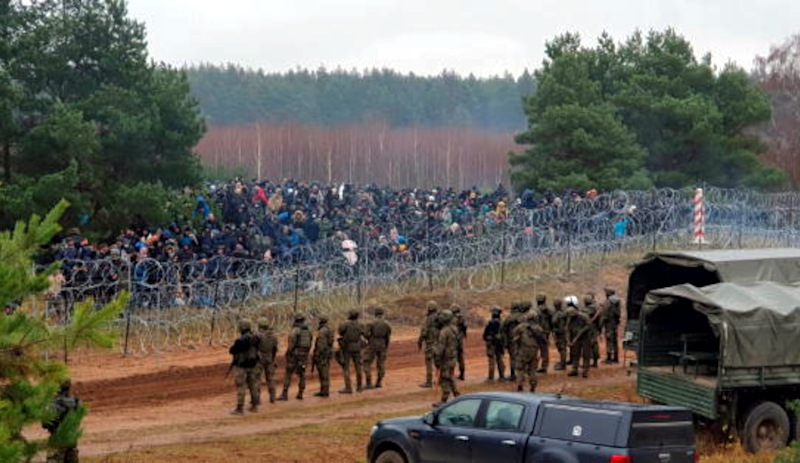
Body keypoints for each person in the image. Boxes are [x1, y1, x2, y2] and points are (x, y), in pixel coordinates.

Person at [42, 379, 80, 463]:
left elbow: (45, 423)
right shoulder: (75, 401)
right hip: (72, 438)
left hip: (57, 438)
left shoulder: (54, 403)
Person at [278, 312, 313, 401]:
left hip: (294, 355)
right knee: (302, 374)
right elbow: (310, 343)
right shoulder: (308, 331)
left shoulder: (295, 331)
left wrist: (288, 353)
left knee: (288, 373)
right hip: (304, 355)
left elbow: (291, 344)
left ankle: (284, 393)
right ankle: (300, 393)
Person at [228, 319, 260, 414]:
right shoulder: (255, 338)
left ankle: (240, 408)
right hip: (253, 364)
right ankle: (254, 405)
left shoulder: (240, 340)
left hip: (242, 366)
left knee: (241, 386)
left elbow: (232, 350)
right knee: (253, 386)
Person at [434, 309, 460, 406]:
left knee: (444, 379)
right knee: (450, 377)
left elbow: (441, 348)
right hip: (452, 357)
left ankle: (444, 400)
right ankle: (457, 395)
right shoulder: (454, 329)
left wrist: (436, 358)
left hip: (445, 359)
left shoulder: (444, 331)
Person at [512, 311, 544, 392]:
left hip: (522, 350)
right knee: (532, 370)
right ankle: (533, 386)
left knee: (520, 368)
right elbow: (542, 339)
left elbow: (514, 337)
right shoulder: (538, 328)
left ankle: (520, 384)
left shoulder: (520, 327)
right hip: (534, 350)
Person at [363, 306, 392, 389]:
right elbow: (388, 336)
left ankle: (368, 383)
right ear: (382, 313)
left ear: (375, 314)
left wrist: (369, 339)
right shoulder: (386, 324)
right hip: (382, 344)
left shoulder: (371, 323)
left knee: (367, 362)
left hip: (372, 344)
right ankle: (378, 382)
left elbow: (365, 334)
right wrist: (386, 345)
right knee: (381, 364)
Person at [337, 309, 365, 393]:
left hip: (347, 347)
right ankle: (359, 386)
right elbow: (364, 333)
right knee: (358, 367)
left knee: (346, 368)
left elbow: (340, 332)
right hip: (357, 347)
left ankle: (348, 387)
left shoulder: (345, 324)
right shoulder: (360, 324)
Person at [565, 296, 592, 378]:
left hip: (586, 338)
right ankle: (574, 369)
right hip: (575, 338)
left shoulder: (584, 316)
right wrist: (568, 340)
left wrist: (579, 335)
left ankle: (585, 370)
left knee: (586, 354)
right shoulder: (570, 318)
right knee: (575, 353)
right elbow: (567, 329)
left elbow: (588, 326)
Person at [256, 317, 279, 403]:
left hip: (260, 359)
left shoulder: (258, 336)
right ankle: (272, 398)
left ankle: (257, 399)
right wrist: (273, 358)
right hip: (270, 358)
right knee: (270, 379)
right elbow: (275, 349)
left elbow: (254, 347)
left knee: (257, 379)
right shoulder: (273, 336)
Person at [417, 300, 440, 388]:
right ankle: (440, 379)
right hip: (438, 343)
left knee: (429, 362)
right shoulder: (439, 318)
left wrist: (420, 341)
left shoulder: (428, 319)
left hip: (430, 344)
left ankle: (429, 381)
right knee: (438, 363)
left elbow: (424, 332)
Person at [312, 314, 334, 397]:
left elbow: (321, 345)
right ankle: (324, 390)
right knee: (325, 372)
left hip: (323, 354)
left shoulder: (322, 331)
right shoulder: (329, 329)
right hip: (327, 352)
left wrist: (317, 354)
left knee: (323, 373)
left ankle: (324, 391)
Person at [500, 302, 523, 381]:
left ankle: (513, 374)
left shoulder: (509, 318)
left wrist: (505, 342)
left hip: (512, 340)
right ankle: (521, 374)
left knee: (513, 358)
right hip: (523, 340)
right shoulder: (523, 317)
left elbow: (503, 330)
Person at [482, 306, 505, 381]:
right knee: (500, 359)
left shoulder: (490, 323)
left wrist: (487, 338)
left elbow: (485, 335)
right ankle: (502, 376)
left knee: (491, 360)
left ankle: (491, 377)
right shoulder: (502, 323)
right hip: (500, 343)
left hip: (492, 344)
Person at [601, 287, 622, 364]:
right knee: (615, 341)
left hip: (609, 323)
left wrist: (602, 322)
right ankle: (616, 357)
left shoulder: (608, 301)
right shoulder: (617, 301)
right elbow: (618, 313)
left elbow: (605, 313)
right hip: (615, 323)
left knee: (609, 340)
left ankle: (609, 358)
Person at [535, 294, 552, 373]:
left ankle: (534, 366)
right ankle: (544, 366)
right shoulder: (548, 310)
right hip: (545, 331)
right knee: (544, 349)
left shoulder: (535, 310)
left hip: (537, 331)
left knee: (535, 349)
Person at [583, 293, 601, 368]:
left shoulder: (589, 309)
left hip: (590, 329)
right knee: (594, 344)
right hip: (594, 328)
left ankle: (593, 362)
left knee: (591, 345)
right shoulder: (596, 308)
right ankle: (594, 361)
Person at [451, 304, 468, 380]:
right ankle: (462, 374)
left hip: (453, 340)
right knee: (461, 358)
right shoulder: (462, 318)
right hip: (460, 340)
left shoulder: (451, 319)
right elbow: (465, 328)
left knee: (452, 358)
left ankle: (451, 375)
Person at [550, 298, 568, 370]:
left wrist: (555, 330)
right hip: (559, 333)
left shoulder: (560, 314)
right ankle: (562, 362)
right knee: (561, 349)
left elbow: (561, 327)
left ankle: (563, 364)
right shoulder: (557, 312)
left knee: (562, 349)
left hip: (561, 334)